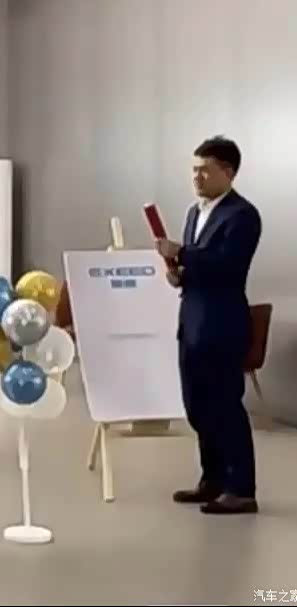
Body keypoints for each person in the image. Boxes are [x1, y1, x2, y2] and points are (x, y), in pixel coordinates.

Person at [157, 136, 261, 515]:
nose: (197, 177)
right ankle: (212, 479)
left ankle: (241, 488)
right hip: (192, 320)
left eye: (205, 170)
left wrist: (182, 253)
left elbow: (228, 265)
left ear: (228, 172)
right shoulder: (194, 212)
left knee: (225, 405)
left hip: (222, 322)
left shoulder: (242, 215)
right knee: (197, 405)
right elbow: (199, 268)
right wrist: (180, 275)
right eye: (194, 170)